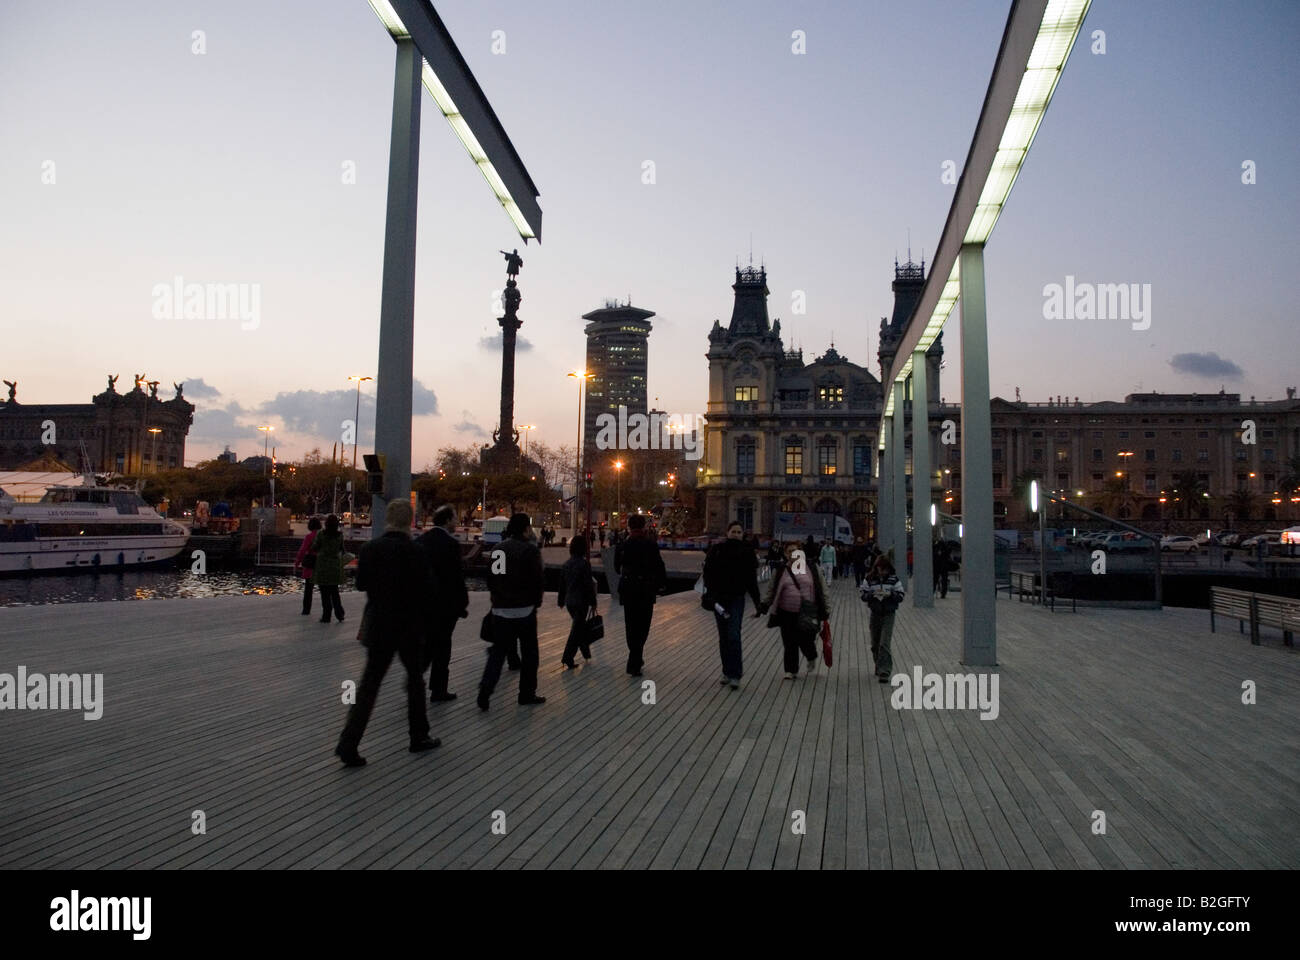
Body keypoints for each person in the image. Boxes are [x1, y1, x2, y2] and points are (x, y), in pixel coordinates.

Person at [334, 500, 439, 767]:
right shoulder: (417, 551)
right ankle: (418, 735)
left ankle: (349, 742)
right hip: (409, 626)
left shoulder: (370, 549)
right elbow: (427, 592)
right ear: (410, 520)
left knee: (369, 684)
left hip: (379, 625)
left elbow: (361, 584)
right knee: (415, 681)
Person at [479, 513, 546, 710]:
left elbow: (493, 578)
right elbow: (537, 580)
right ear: (526, 529)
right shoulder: (530, 551)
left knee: (498, 653)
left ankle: (485, 689)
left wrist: (497, 598)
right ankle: (526, 693)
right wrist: (536, 602)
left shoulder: (499, 549)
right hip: (525, 609)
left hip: (501, 610)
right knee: (530, 653)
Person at [417, 503, 469, 702]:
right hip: (445, 606)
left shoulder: (421, 541)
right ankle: (438, 689)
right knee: (442, 648)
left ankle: (417, 675)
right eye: (454, 518)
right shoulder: (451, 545)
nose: (456, 522)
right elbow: (456, 578)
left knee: (428, 644)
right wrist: (462, 604)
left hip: (424, 604)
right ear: (447, 521)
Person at [702, 521, 761, 689]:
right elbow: (708, 574)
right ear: (727, 533)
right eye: (733, 531)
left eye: (739, 532)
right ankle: (726, 671)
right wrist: (710, 594)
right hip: (719, 600)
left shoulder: (747, 552)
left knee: (733, 634)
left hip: (736, 598)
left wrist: (757, 603)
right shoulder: (717, 550)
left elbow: (751, 580)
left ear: (743, 534)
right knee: (724, 636)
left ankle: (735, 674)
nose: (736, 534)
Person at [759, 541, 829, 679]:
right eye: (789, 551)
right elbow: (771, 589)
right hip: (786, 612)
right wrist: (764, 605)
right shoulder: (780, 570)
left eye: (795, 550)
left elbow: (822, 588)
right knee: (789, 641)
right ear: (785, 554)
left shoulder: (812, 568)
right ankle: (791, 670)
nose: (792, 553)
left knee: (806, 640)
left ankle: (811, 656)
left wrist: (826, 609)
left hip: (807, 611)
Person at [615, 514, 667, 676]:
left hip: (629, 589)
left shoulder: (623, 545)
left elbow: (617, 567)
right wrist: (660, 585)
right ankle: (635, 660)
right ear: (644, 526)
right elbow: (659, 566)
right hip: (646, 589)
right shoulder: (650, 545)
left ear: (629, 527)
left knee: (631, 625)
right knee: (643, 626)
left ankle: (635, 657)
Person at [861, 552, 905, 683]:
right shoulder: (869, 579)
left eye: (884, 568)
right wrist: (871, 594)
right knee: (875, 643)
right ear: (876, 567)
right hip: (875, 613)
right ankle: (878, 664)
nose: (882, 571)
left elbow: (901, 595)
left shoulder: (894, 579)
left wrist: (891, 595)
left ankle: (884, 671)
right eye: (880, 568)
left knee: (884, 642)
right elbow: (863, 594)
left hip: (888, 613)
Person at [558, 534, 598, 668]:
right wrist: (593, 601)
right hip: (582, 601)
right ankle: (567, 657)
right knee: (576, 630)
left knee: (578, 627)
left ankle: (586, 653)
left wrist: (561, 600)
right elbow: (588, 585)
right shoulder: (584, 564)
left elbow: (562, 585)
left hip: (570, 601)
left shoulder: (566, 564)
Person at [310, 514, 347, 623]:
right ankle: (339, 613)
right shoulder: (340, 535)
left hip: (322, 565)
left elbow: (314, 547)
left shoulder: (321, 534)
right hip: (335, 565)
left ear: (326, 523)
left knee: (324, 592)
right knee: (335, 591)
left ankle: (326, 615)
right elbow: (342, 549)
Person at [294, 517, 322, 615]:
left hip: (310, 564)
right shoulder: (323, 536)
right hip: (321, 564)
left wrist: (297, 563)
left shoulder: (309, 537)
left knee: (308, 589)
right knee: (325, 589)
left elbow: (302, 550)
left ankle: (306, 610)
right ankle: (327, 611)